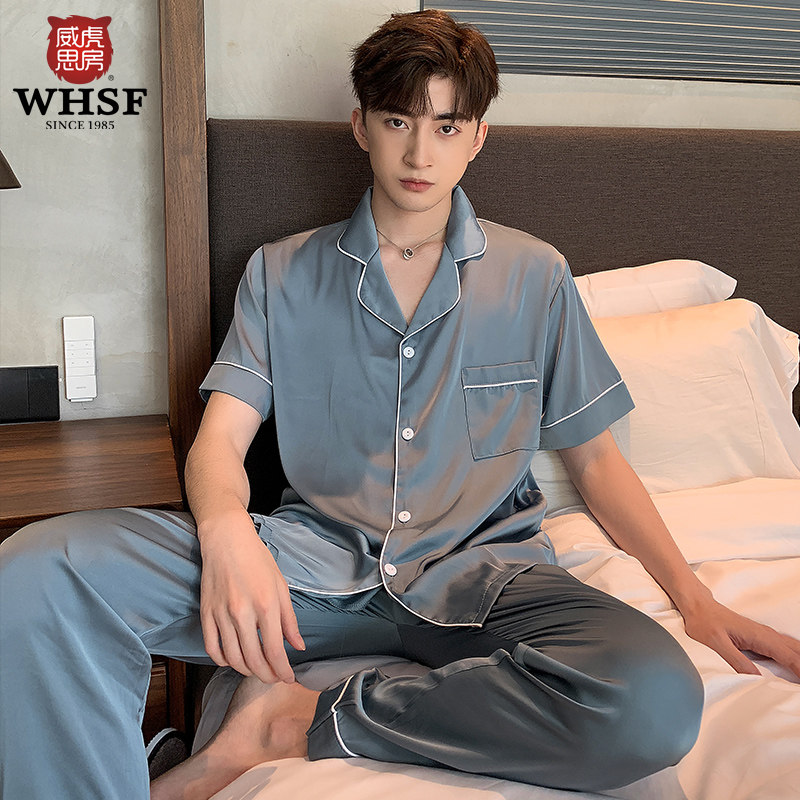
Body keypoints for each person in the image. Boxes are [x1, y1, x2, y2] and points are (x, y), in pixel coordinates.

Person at [2, 10, 799, 800]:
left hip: (486, 581)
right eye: (398, 122)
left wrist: (695, 600)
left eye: (447, 127)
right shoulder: (280, 274)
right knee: (38, 572)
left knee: (653, 699)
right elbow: (220, 442)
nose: (421, 154)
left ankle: (301, 720)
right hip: (308, 573)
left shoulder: (535, 276)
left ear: (477, 137)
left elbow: (594, 460)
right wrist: (227, 531)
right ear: (361, 126)